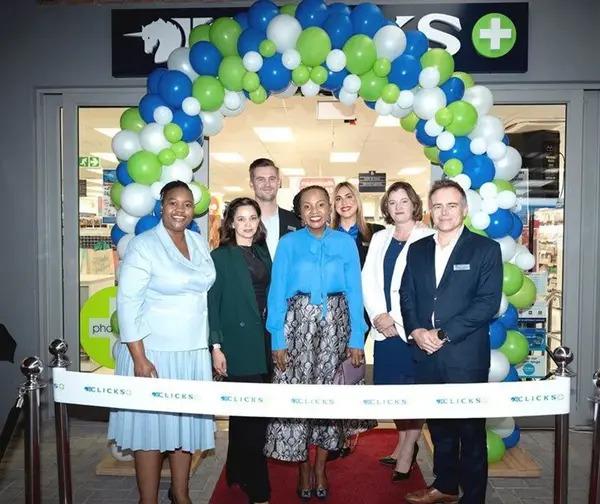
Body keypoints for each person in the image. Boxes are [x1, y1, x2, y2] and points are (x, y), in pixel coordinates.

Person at [108, 180, 216, 504]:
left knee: (184, 427)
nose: (180, 210)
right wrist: (139, 359)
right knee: (150, 431)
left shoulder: (198, 241)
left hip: (192, 352)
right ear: (161, 206)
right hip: (153, 352)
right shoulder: (144, 245)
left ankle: (181, 493)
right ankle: (148, 499)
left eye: (187, 204)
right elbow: (128, 302)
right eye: (173, 203)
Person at [400, 179, 503, 504]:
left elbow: (487, 303)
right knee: (440, 429)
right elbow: (407, 295)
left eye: (452, 205)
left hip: (464, 356)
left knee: (470, 433)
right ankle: (444, 486)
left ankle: (473, 498)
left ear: (465, 209)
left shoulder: (485, 249)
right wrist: (416, 331)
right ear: (430, 211)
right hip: (426, 355)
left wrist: (443, 334)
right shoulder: (417, 249)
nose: (444, 212)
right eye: (438, 206)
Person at [264, 185, 366, 500]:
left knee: (329, 397)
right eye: (307, 206)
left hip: (336, 325)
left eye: (321, 204)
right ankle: (303, 468)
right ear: (299, 212)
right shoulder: (288, 243)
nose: (315, 211)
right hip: (296, 326)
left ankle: (321, 466)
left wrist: (357, 336)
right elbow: (276, 292)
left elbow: (355, 290)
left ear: (329, 207)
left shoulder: (345, 243)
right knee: (297, 399)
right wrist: (277, 338)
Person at [362, 181, 434, 481]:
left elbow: (426, 287)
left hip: (414, 330)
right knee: (391, 391)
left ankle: (407, 451)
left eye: (404, 201)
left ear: (414, 204)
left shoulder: (429, 237)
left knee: (413, 392)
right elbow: (368, 279)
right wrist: (379, 315)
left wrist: (396, 319)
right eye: (392, 202)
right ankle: (404, 443)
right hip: (384, 330)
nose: (398, 207)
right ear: (386, 208)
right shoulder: (380, 237)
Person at [208, 197, 272, 504]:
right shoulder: (220, 256)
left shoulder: (262, 251)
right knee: (253, 416)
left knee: (245, 414)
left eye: (252, 218)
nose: (248, 224)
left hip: (264, 341)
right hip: (237, 343)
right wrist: (216, 346)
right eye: (241, 219)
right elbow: (213, 303)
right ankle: (258, 487)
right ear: (231, 223)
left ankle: (235, 469)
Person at [248, 158, 300, 259]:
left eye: (272, 179)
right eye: (261, 179)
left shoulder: (296, 221)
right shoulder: (241, 223)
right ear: (251, 184)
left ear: (278, 182)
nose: (267, 184)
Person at [332, 181, 385, 267]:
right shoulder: (325, 236)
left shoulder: (377, 231)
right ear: (334, 205)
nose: (344, 203)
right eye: (338, 199)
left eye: (349, 197)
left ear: (357, 200)